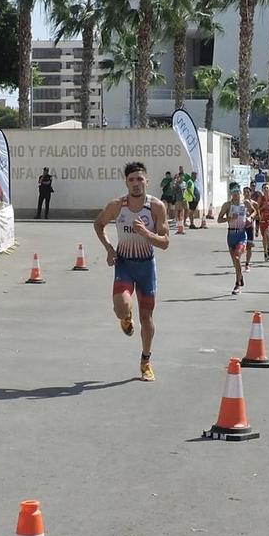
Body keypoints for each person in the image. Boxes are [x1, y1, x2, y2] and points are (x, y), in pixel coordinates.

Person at [95, 161, 171, 381]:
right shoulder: (117, 205)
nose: (136, 184)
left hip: (146, 266)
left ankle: (145, 360)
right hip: (125, 264)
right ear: (126, 182)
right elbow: (99, 224)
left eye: (140, 179)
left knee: (146, 317)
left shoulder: (156, 207)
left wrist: (147, 234)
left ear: (147, 180)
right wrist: (109, 248)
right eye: (131, 180)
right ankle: (125, 318)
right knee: (121, 308)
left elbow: (165, 242)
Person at [222, 181, 253, 294]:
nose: (236, 195)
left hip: (241, 234)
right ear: (231, 193)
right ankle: (240, 277)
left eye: (237, 192)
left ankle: (237, 284)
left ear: (240, 192)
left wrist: (250, 218)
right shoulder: (227, 205)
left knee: (237, 258)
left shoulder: (245, 204)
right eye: (233, 192)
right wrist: (229, 218)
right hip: (231, 235)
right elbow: (219, 219)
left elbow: (254, 212)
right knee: (235, 263)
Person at [254, 181, 269, 262]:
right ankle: (265, 252)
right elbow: (257, 209)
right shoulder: (261, 198)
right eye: (264, 188)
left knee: (266, 234)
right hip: (262, 220)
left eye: (267, 188)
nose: (266, 189)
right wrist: (262, 207)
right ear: (262, 190)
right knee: (264, 237)